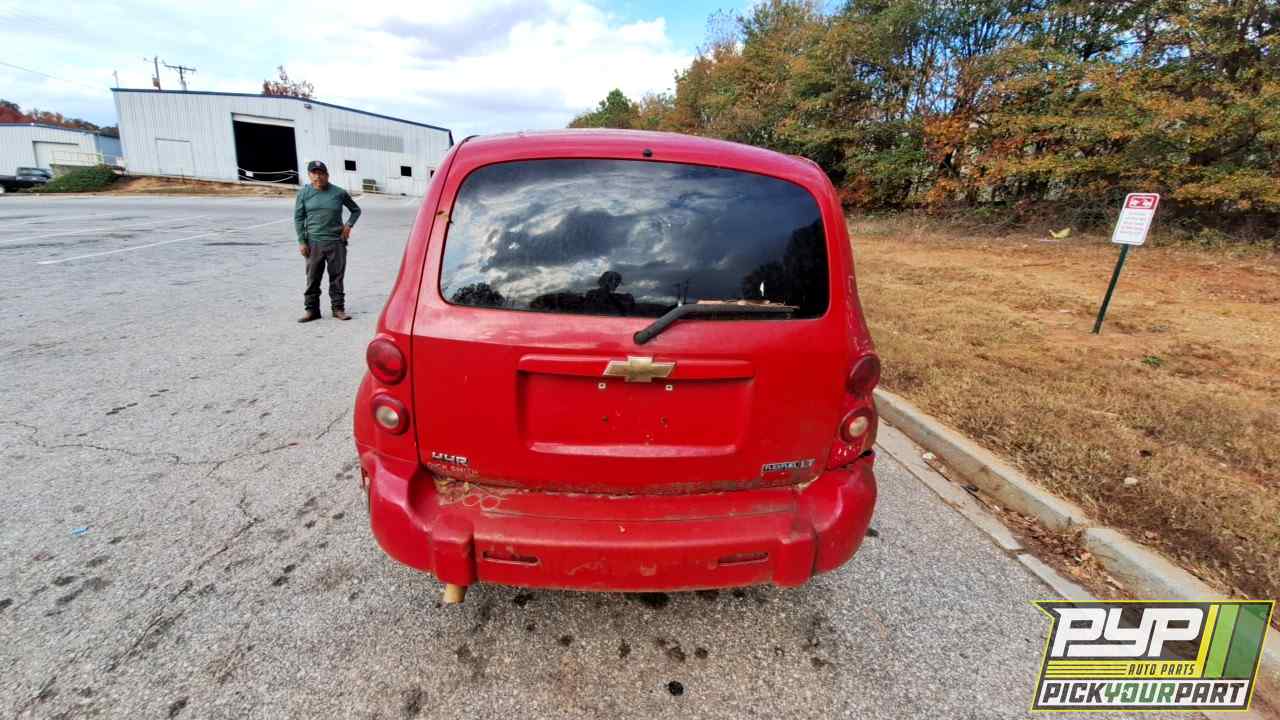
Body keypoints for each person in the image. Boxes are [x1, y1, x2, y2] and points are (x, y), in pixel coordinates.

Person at [294, 160, 361, 322]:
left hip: (336, 242)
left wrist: (348, 225)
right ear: (309, 175)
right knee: (312, 278)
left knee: (337, 277)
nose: (318, 176)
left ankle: (338, 309)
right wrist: (302, 241)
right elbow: (299, 218)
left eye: (321, 173)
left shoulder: (339, 193)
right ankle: (312, 310)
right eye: (314, 173)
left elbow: (355, 210)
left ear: (327, 175)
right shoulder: (304, 194)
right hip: (313, 243)